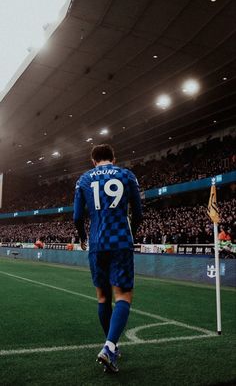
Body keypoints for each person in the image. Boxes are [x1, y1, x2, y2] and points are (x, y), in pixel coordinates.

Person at [73, 144, 142, 373]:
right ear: (114, 157)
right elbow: (139, 213)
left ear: (93, 161)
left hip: (97, 242)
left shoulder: (84, 179)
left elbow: (76, 216)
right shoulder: (126, 174)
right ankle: (110, 346)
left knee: (103, 298)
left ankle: (111, 345)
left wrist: (83, 237)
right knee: (122, 295)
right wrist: (133, 229)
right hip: (121, 240)